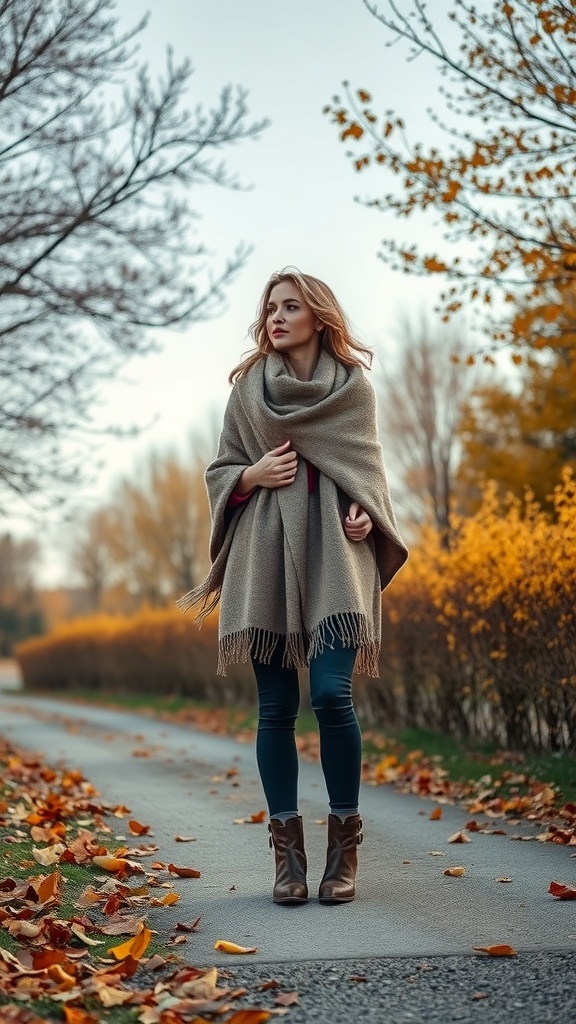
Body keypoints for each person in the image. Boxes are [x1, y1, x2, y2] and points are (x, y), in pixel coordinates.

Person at [177, 268, 408, 906]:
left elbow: (369, 469)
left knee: (332, 696)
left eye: (290, 307)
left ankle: (344, 847)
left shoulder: (353, 390)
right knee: (275, 708)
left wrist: (367, 510)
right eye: (270, 308)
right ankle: (287, 858)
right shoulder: (247, 391)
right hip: (264, 557)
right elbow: (220, 469)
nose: (276, 317)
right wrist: (249, 474)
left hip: (339, 552)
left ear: (319, 316)